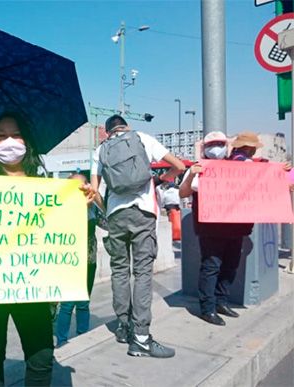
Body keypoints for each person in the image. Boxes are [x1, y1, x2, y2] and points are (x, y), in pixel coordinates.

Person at [0, 112, 97, 386]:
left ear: (27, 140)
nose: (9, 141)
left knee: (41, 356)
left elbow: (62, 229)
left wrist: (84, 198)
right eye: (1, 135)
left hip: (34, 286)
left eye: (16, 134)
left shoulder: (48, 187)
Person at [92, 114, 185, 358]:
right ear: (127, 127)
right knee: (142, 273)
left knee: (120, 271)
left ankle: (123, 327)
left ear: (107, 131)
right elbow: (179, 166)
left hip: (115, 216)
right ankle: (141, 337)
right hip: (142, 214)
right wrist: (159, 180)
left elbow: (94, 192)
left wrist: (107, 209)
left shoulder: (100, 150)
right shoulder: (142, 139)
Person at [179, 131, 258, 326]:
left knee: (231, 265)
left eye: (220, 143)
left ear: (227, 146)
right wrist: (192, 176)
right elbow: (182, 193)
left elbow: (259, 182)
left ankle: (221, 301)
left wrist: (284, 172)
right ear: (205, 148)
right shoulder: (197, 168)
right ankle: (207, 308)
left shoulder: (237, 165)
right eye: (212, 144)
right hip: (211, 228)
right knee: (211, 267)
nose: (216, 148)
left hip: (235, 227)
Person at [54, 172, 100, 347]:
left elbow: (108, 221)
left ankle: (82, 336)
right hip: (69, 262)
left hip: (89, 261)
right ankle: (62, 340)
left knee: (83, 302)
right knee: (66, 305)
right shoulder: (62, 207)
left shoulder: (93, 207)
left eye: (81, 185)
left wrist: (95, 198)